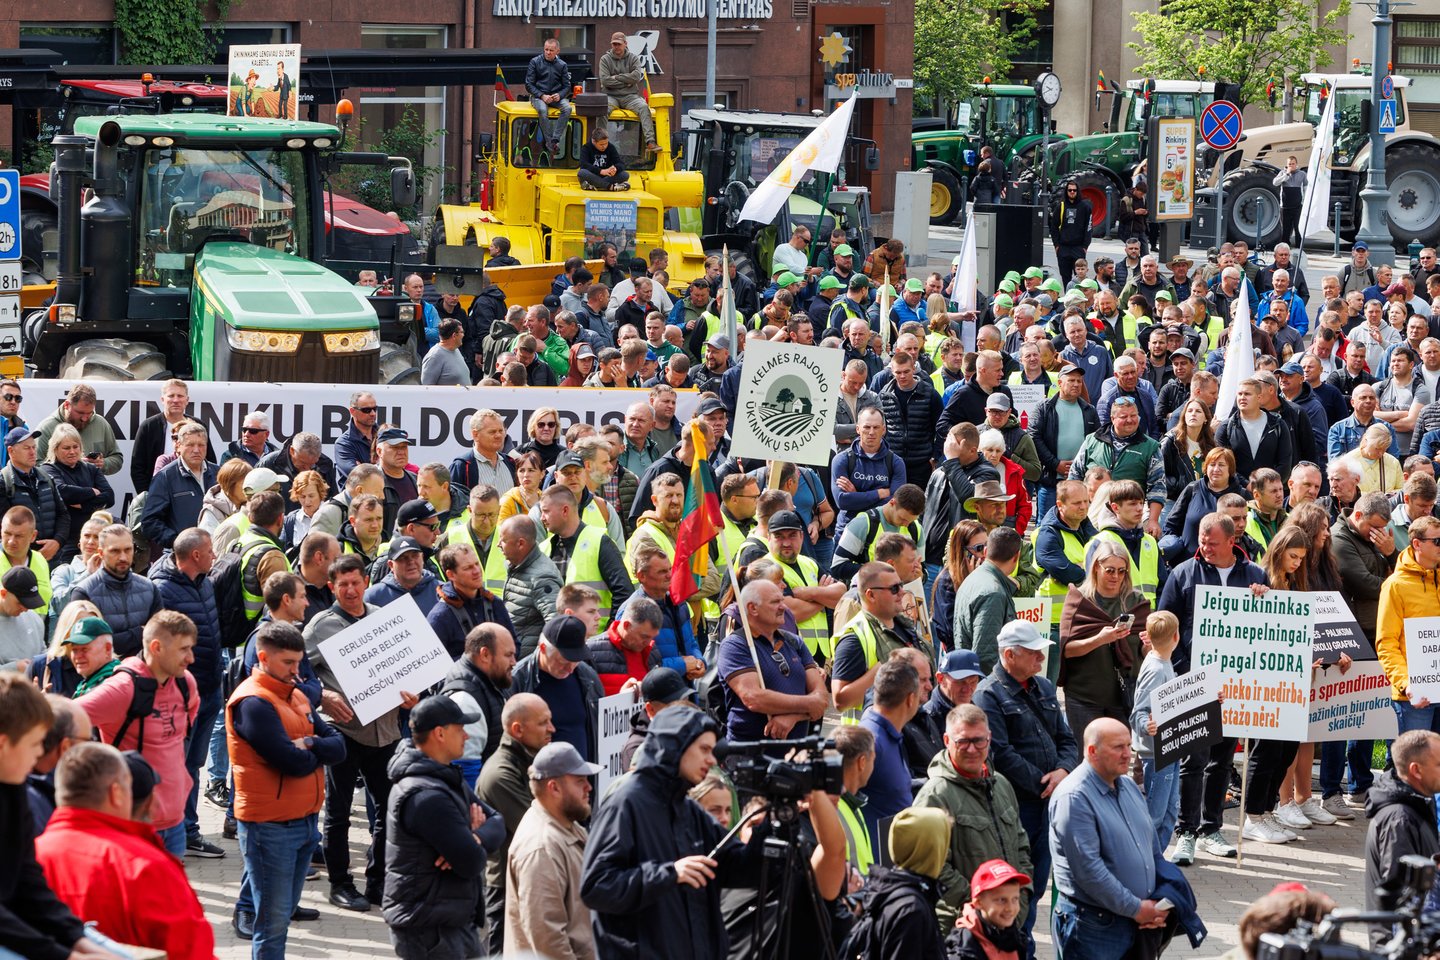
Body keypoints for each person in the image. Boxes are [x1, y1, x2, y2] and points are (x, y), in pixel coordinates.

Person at [580, 707, 765, 960]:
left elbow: (739, 867)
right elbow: (596, 886)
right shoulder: (626, 803)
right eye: (704, 749)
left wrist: (771, 823)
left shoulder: (688, 809)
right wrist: (669, 874)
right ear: (675, 746)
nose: (712, 760)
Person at [306, 553, 419, 913]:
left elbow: (405, 668)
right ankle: (340, 884)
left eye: (356, 582)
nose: (351, 590)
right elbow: (298, 672)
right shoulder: (320, 626)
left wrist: (412, 694)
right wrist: (322, 696)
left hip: (385, 732)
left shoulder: (382, 618)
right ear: (331, 587)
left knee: (388, 808)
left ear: (366, 582)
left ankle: (378, 881)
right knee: (338, 812)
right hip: (344, 732)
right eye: (343, 585)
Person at [227, 621, 346, 958]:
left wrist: (309, 743)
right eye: (288, 663)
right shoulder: (253, 702)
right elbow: (290, 762)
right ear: (264, 658)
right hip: (270, 826)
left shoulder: (294, 695)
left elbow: (339, 746)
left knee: (281, 916)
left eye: (299, 662)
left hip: (303, 820)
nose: (297, 671)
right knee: (273, 924)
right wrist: (316, 751)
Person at [0, 674, 123, 960]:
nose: (39, 754)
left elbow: (29, 883)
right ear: (3, 744)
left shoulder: (14, 784)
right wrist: (65, 955)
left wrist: (78, 940)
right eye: (34, 744)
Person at [975, 619, 1079, 945]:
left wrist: (1063, 771)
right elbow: (1000, 753)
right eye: (1034, 653)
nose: (1041, 658)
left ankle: (1023, 944)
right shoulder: (987, 694)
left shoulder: (1043, 687)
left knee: (1036, 882)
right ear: (1009, 655)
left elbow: (1067, 739)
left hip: (1048, 802)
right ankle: (1018, 946)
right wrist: (1043, 783)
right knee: (1017, 884)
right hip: (1018, 807)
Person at [384, 695, 507, 960]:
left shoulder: (444, 775)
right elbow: (471, 862)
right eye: (460, 728)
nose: (466, 735)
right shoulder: (427, 796)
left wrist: (473, 837)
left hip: (452, 919)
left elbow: (497, 822)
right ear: (440, 733)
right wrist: (470, 844)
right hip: (429, 928)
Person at [1050, 718, 1178, 960]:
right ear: (1092, 751)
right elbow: (1089, 871)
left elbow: (1151, 850)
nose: (1128, 754)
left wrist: (1160, 899)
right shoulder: (1074, 797)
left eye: (1129, 745)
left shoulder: (1128, 786)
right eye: (1118, 747)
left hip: (1137, 922)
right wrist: (1137, 909)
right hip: (1094, 929)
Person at [913, 703, 1033, 930]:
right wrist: (983, 905)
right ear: (947, 740)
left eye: (978, 740)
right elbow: (932, 868)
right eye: (963, 741)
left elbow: (1021, 847)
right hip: (961, 929)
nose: (972, 749)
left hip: (1007, 924)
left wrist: (1020, 898)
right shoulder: (934, 796)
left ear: (989, 738)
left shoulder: (1002, 785)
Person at [148, 527, 227, 859]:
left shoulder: (205, 582)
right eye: (210, 551)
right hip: (181, 695)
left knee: (193, 764)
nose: (214, 556)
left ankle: (189, 831)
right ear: (195, 555)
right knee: (177, 766)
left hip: (209, 687)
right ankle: (172, 834)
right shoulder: (161, 589)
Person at [505, 741, 601, 960]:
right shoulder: (541, 847)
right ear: (554, 788)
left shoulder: (566, 824)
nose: (589, 787)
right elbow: (547, 940)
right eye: (580, 781)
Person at [475, 692, 555, 951]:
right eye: (543, 723)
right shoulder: (500, 775)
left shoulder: (531, 759)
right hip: (505, 887)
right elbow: (544, 825)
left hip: (526, 879)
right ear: (518, 729)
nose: (552, 729)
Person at [715, 577, 828, 741]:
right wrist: (809, 704)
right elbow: (754, 698)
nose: (783, 607)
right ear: (753, 608)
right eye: (775, 602)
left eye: (782, 600)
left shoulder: (794, 641)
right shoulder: (735, 646)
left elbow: (822, 697)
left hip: (795, 751)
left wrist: (793, 717)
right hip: (750, 751)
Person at [1059, 539, 1148, 735]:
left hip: (1124, 696)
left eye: (1122, 571)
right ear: (1096, 568)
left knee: (1118, 754)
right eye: (1110, 570)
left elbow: (1143, 651)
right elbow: (1067, 650)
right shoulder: (1079, 600)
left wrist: (1149, 645)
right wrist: (1100, 639)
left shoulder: (1136, 601)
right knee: (1086, 753)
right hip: (1084, 697)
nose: (1116, 576)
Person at [1364, 729, 1440, 946]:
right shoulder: (1399, 819)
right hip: (1402, 945)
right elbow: (1401, 895)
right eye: (1439, 764)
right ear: (1416, 770)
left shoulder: (1418, 802)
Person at [851, 807, 950, 960]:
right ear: (931, 849)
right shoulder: (911, 908)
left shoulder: (898, 891)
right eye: (943, 843)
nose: (946, 851)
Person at [1377, 515, 1440, 733]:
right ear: (1417, 544)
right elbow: (1386, 643)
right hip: (1414, 696)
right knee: (1414, 755)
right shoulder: (1395, 586)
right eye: (1437, 541)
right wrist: (1405, 683)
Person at [1130, 610, 1183, 850]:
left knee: (1170, 809)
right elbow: (1139, 711)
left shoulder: (1163, 662)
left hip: (1169, 748)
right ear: (1176, 637)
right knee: (1156, 813)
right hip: (1155, 753)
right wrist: (1145, 725)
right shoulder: (1156, 668)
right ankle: (1146, 858)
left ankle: (1156, 857)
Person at [954, 525, 1023, 673]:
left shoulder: (974, 578)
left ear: (986, 551)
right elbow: (986, 657)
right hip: (985, 682)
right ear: (1016, 556)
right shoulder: (993, 594)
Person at [950, 859, 1032, 960]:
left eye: (1015, 899)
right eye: (1002, 900)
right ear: (978, 903)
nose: (1010, 908)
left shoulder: (1015, 937)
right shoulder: (964, 946)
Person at [597, 31, 658, 153]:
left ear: (625, 43)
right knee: (602, 109)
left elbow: (636, 77)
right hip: (611, 96)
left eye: (619, 44)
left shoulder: (633, 58)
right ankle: (600, 142)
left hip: (630, 96)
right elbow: (605, 80)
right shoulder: (605, 59)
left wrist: (616, 77)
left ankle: (650, 142)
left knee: (644, 107)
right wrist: (626, 81)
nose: (616, 47)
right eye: (614, 44)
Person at [526, 37, 572, 153]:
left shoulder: (562, 65)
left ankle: (555, 138)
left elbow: (567, 86)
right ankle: (550, 142)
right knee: (542, 110)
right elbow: (528, 84)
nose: (548, 52)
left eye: (551, 50)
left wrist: (560, 95)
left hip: (556, 97)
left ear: (557, 51)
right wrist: (542, 95)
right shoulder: (534, 62)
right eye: (546, 49)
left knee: (567, 108)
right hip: (538, 97)